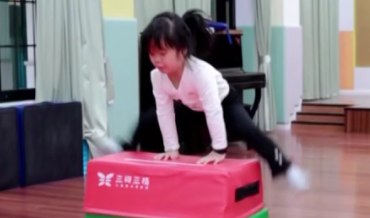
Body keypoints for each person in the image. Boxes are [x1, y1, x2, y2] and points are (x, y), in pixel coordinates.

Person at [110, 10, 309, 189]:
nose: (157, 60)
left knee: (249, 131)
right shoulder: (157, 76)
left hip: (224, 103)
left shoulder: (200, 73)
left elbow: (213, 110)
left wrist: (219, 149)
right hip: (194, 108)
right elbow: (164, 111)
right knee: (148, 118)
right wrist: (172, 148)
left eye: (162, 53)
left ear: (182, 50)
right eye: (152, 54)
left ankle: (285, 167)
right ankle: (126, 148)